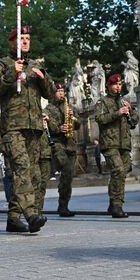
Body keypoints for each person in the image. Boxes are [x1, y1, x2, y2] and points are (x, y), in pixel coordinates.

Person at [0, 25, 54, 234]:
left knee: (30, 173)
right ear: (12, 43)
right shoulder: (3, 64)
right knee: (22, 167)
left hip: (33, 127)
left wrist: (44, 78)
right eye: (21, 38)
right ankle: (31, 214)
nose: (25, 41)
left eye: (27, 38)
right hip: (13, 127)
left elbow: (50, 94)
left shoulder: (35, 65)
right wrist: (10, 75)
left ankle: (13, 218)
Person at [94, 74, 138, 218]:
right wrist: (117, 113)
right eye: (115, 84)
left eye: (119, 84)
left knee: (121, 173)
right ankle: (117, 206)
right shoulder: (102, 102)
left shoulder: (123, 100)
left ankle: (113, 203)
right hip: (110, 143)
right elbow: (99, 119)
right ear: (108, 85)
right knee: (118, 170)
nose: (118, 87)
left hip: (124, 143)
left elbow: (135, 120)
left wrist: (130, 110)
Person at [44, 83, 78, 217]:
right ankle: (62, 206)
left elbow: (79, 124)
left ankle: (63, 205)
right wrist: (59, 128)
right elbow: (45, 126)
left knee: (68, 176)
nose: (61, 93)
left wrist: (73, 117)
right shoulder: (48, 109)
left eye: (63, 91)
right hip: (57, 144)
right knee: (66, 169)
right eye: (58, 91)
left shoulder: (69, 107)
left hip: (70, 144)